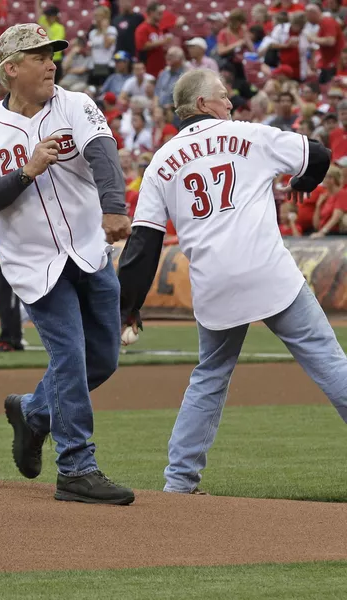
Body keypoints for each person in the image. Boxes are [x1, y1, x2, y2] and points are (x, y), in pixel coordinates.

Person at [117, 68, 346, 496]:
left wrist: (128, 306)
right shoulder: (250, 135)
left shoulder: (161, 162)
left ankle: (179, 482)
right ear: (202, 104)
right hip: (269, 273)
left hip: (214, 283)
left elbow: (143, 244)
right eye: (222, 97)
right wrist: (304, 182)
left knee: (210, 376)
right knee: (329, 362)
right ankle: (180, 480)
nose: (230, 103)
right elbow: (317, 154)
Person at [0, 24, 134, 505]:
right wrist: (25, 172)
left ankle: (34, 411)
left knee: (103, 358)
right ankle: (77, 466)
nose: (51, 62)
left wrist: (114, 207)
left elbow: (103, 154)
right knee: (70, 359)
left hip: (88, 249)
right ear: (11, 69)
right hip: (35, 264)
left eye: (53, 53)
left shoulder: (75, 104)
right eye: (39, 55)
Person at [0, 214, 24, 352]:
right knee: (3, 299)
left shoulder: (1, 197)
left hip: (9, 256)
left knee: (8, 300)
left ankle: (10, 338)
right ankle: (10, 337)